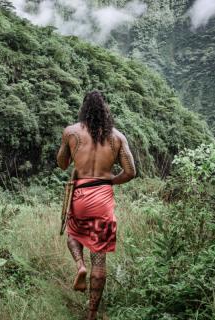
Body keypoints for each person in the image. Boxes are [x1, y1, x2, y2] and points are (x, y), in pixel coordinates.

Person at [56, 90, 136, 320]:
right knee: (99, 257)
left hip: (80, 196)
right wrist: (111, 179)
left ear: (83, 109)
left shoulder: (71, 132)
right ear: (105, 110)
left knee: (73, 232)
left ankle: (80, 265)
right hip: (102, 199)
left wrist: (68, 148)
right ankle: (92, 313)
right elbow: (131, 172)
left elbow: (62, 164)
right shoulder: (118, 137)